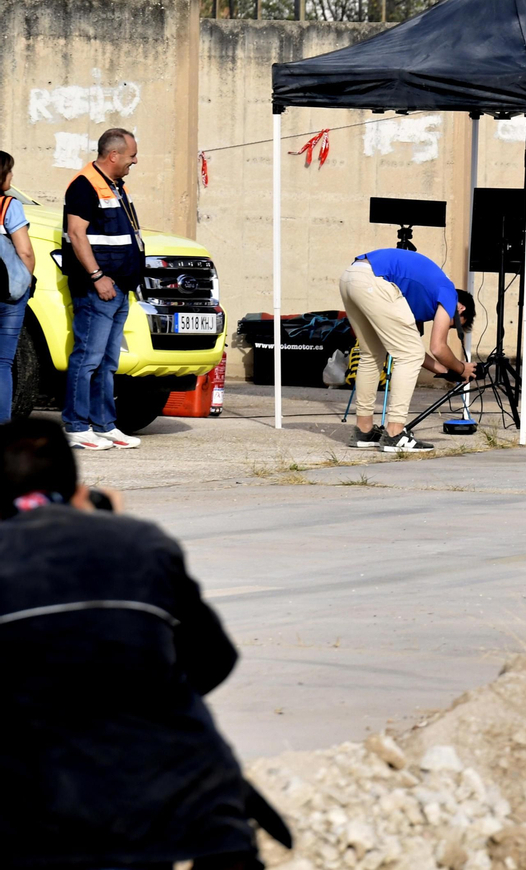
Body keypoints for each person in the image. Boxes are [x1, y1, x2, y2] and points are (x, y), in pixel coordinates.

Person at [0, 418, 274, 868]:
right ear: (78, 490)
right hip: (180, 806)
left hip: (36, 819)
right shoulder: (140, 543)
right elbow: (213, 659)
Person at [339, 248, 477, 453]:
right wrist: (461, 368)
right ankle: (395, 433)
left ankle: (364, 430)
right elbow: (437, 347)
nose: (444, 324)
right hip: (375, 280)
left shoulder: (418, 298)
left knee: (371, 354)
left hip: (351, 276)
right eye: (452, 325)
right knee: (406, 354)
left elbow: (414, 352)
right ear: (461, 309)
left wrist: (444, 370)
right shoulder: (448, 293)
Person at [61, 127, 144, 451]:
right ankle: (77, 426)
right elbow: (77, 234)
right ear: (113, 155)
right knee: (87, 358)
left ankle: (105, 425)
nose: (134, 161)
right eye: (131, 155)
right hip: (98, 289)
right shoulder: (84, 186)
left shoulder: (115, 185)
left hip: (119, 287)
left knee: (108, 361)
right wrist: (97, 276)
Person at [0, 150, 37, 422]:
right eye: (10, 171)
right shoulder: (8, 206)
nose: (12, 176)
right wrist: (26, 280)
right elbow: (24, 251)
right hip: (8, 293)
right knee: (2, 362)